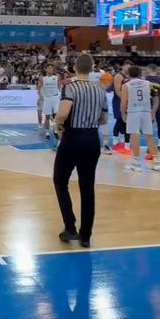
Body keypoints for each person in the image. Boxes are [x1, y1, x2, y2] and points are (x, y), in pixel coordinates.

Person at [52, 53, 107, 249]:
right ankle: (86, 236)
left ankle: (70, 227)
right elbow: (104, 120)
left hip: (73, 137)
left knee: (60, 181)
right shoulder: (100, 91)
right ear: (92, 69)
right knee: (87, 187)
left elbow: (63, 113)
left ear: (75, 68)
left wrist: (57, 124)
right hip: (92, 139)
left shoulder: (70, 87)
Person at [121, 66, 160, 172]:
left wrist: (123, 114)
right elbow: (156, 99)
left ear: (128, 74)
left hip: (133, 112)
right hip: (146, 111)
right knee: (149, 136)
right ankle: (156, 161)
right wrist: (153, 112)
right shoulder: (148, 83)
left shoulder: (126, 85)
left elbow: (123, 102)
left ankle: (136, 162)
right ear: (140, 73)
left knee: (135, 135)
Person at [38, 64, 62, 147]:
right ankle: (47, 133)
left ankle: (56, 131)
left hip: (55, 98)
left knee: (57, 117)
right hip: (47, 98)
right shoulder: (42, 78)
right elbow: (39, 88)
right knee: (47, 117)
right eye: (49, 68)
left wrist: (59, 95)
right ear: (46, 69)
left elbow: (59, 86)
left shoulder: (57, 77)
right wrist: (41, 97)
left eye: (52, 68)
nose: (50, 69)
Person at [111, 61, 132, 155]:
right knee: (120, 120)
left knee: (127, 122)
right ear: (123, 66)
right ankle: (115, 141)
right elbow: (117, 91)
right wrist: (126, 100)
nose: (129, 68)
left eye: (130, 67)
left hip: (127, 101)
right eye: (128, 66)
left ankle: (125, 143)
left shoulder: (129, 77)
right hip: (118, 101)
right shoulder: (118, 76)